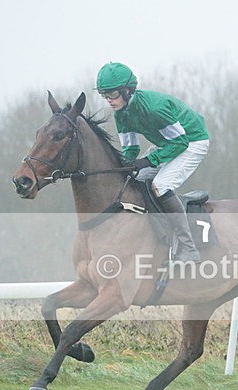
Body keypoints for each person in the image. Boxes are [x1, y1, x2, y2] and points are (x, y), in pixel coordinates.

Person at [96, 62, 209, 263]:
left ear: (127, 90)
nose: (109, 101)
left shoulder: (154, 109)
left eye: (112, 95)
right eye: (105, 96)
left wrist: (149, 160)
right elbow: (130, 149)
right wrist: (123, 166)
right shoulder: (121, 114)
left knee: (161, 185)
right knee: (134, 177)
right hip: (169, 143)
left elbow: (180, 143)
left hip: (192, 141)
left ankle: (188, 247)